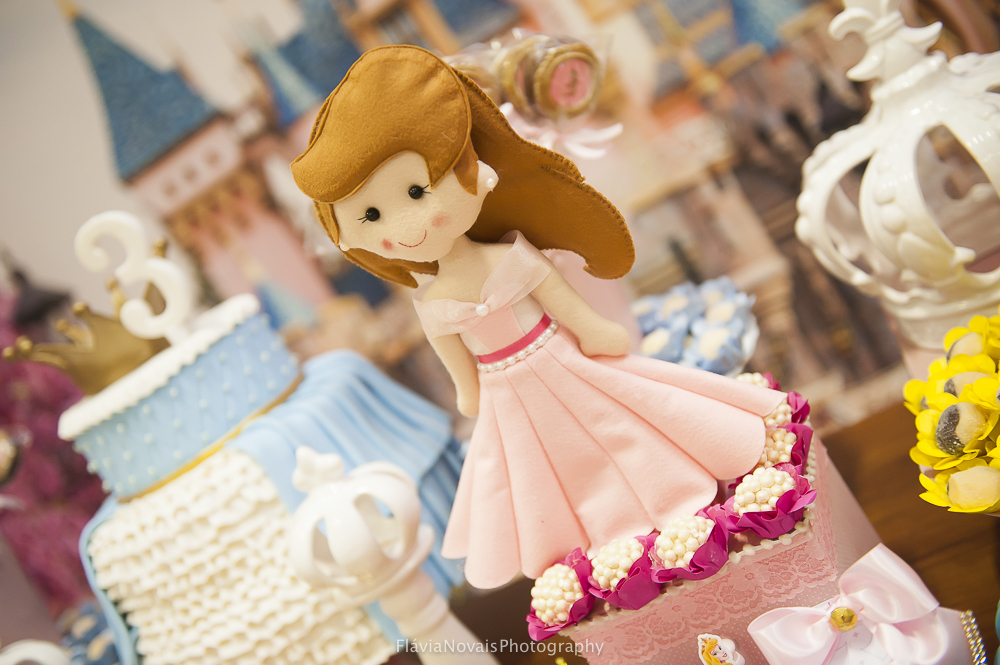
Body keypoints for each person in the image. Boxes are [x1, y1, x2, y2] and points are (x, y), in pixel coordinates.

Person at [292, 45, 784, 589]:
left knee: (618, 424)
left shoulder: (509, 257)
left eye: (415, 191)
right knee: (540, 469)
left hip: (558, 355)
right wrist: (470, 395)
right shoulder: (433, 306)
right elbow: (460, 374)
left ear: (475, 174)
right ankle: (598, 544)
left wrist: (592, 330)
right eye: (371, 214)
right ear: (351, 237)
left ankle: (669, 494)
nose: (406, 225)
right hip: (505, 393)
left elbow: (563, 301)